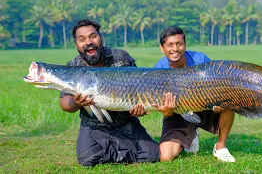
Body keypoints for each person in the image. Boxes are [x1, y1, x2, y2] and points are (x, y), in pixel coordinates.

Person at [59, 19, 159, 166]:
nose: (88, 42)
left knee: (153, 155)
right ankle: (121, 151)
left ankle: (117, 150)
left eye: (93, 36)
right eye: (82, 39)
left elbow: (140, 88)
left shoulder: (121, 58)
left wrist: (139, 109)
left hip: (126, 123)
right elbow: (64, 103)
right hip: (94, 126)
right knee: (87, 160)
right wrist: (76, 102)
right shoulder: (73, 67)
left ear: (101, 38)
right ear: (76, 45)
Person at [153, 26, 236, 162]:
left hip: (204, 106)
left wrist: (219, 102)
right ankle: (191, 135)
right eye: (170, 45)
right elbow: (164, 108)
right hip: (177, 113)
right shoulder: (159, 69)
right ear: (162, 48)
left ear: (185, 45)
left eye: (179, 44)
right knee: (166, 157)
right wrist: (167, 112)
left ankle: (220, 147)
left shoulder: (200, 59)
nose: (175, 49)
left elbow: (218, 84)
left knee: (228, 99)